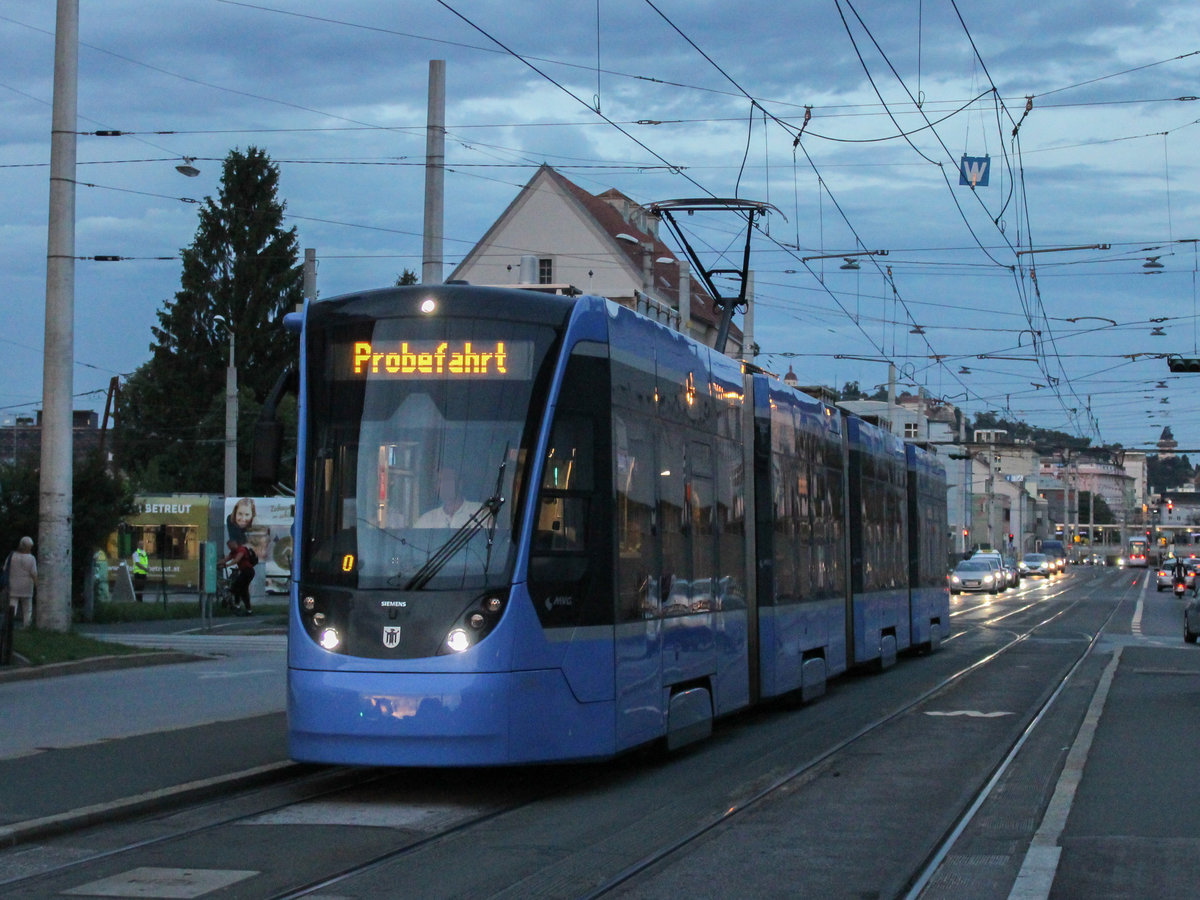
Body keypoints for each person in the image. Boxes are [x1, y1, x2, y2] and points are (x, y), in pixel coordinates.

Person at [218, 538, 255, 615]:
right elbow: (225, 559)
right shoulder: (233, 552)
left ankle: (237, 606)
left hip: (248, 571)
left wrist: (226, 565)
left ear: (234, 544)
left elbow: (236, 560)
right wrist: (216, 564)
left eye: (230, 546)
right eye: (228, 547)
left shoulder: (241, 550)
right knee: (242, 590)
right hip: (243, 572)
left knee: (237, 587)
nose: (229, 548)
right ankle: (248, 610)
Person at [7, 537, 38, 628]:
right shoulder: (31, 558)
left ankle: (9, 625)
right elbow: (34, 573)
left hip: (13, 585)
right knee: (27, 608)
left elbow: (5, 569)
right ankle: (27, 626)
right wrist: (37, 585)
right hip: (27, 586)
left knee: (13, 605)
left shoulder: (12, 556)